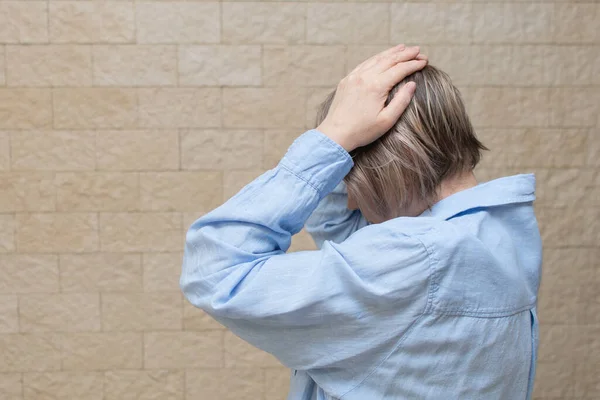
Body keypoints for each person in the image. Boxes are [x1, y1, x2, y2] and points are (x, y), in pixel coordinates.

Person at [180, 45, 542, 399]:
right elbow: (343, 231)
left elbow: (216, 272)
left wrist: (333, 137)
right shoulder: (498, 234)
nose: (351, 198)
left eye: (355, 178)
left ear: (394, 160)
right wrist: (344, 141)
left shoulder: (420, 255)